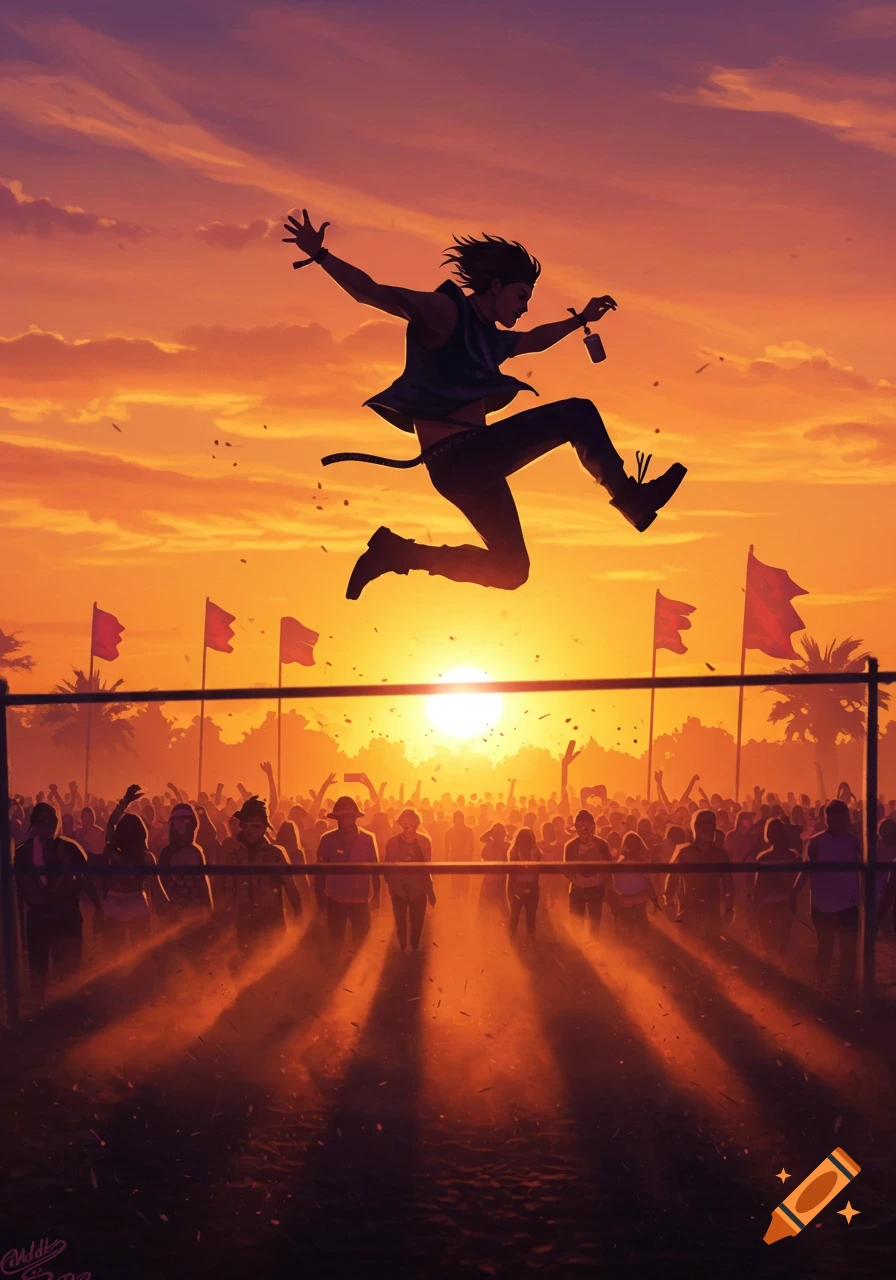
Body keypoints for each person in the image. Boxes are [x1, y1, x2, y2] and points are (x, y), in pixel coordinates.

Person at [281, 212, 686, 599]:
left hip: (469, 467)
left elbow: (535, 339)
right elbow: (374, 293)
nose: (524, 306)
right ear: (496, 286)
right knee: (576, 413)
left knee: (512, 570)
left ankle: (400, 553)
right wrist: (321, 256)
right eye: (521, 295)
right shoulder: (445, 312)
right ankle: (630, 500)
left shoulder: (490, 338)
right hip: (462, 457)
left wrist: (580, 318)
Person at [14, 802, 105, 1005]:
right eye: (41, 821)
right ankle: (40, 1009)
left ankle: (67, 1009)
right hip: (38, 918)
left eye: (51, 820)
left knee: (69, 971)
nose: (47, 825)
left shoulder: (71, 848)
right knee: (38, 970)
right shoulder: (23, 853)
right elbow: (20, 890)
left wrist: (99, 908)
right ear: (34, 825)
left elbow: (87, 879)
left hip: (66, 917)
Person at [790, 799, 861, 997]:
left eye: (840, 818)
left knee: (848, 951)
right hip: (823, 906)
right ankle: (820, 987)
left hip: (848, 904)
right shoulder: (816, 842)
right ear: (826, 818)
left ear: (845, 819)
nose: (836, 823)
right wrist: (794, 895)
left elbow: (862, 869)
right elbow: (807, 870)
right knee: (825, 948)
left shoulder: (853, 841)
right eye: (832, 818)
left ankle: (845, 989)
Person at [222, 795, 302, 958]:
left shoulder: (276, 854)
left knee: (273, 964)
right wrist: (224, 915)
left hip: (272, 919)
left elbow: (290, 886)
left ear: (265, 827)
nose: (250, 830)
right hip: (245, 919)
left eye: (256, 826)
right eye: (246, 825)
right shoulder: (234, 855)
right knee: (247, 962)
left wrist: (298, 913)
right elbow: (227, 888)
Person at [102, 786, 170, 952]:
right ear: (142, 834)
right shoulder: (146, 858)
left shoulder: (112, 853)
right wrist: (171, 911)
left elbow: (111, 825)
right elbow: (157, 889)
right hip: (138, 906)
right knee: (138, 955)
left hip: (113, 907)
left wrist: (124, 802)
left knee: (114, 955)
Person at [315, 795, 381, 950]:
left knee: (361, 943)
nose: (347, 818)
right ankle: (335, 970)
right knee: (336, 940)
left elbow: (375, 869)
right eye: (343, 815)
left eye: (350, 815)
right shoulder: (327, 839)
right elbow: (319, 873)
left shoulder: (368, 838)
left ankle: (358, 972)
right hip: (335, 898)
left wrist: (377, 894)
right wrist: (320, 900)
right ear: (337, 817)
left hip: (361, 898)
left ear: (355, 817)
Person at [664, 809, 735, 937]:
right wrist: (668, 901)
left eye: (711, 824)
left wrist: (729, 908)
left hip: (711, 912)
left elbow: (728, 883)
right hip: (688, 911)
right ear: (696, 827)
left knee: (713, 950)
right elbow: (672, 877)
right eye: (704, 825)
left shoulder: (719, 854)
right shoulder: (684, 852)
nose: (709, 829)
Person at [157, 802, 215, 950]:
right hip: (175, 915)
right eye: (175, 819)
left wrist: (209, 911)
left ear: (193, 822)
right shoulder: (167, 853)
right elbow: (160, 885)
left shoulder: (196, 851)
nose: (180, 823)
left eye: (185, 819)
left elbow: (203, 881)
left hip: (196, 914)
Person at [749, 818, 801, 961]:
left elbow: (758, 885)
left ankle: (774, 975)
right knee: (782, 946)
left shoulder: (764, 857)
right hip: (786, 905)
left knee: (769, 947)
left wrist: (754, 904)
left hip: (767, 907)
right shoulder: (793, 856)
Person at [383, 810, 436, 952]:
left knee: (417, 922)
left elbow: (427, 867)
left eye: (412, 823)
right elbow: (387, 867)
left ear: (417, 824)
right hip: (398, 889)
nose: (409, 826)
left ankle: (414, 948)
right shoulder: (392, 843)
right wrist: (392, 886)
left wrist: (430, 890)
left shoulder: (424, 841)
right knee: (400, 922)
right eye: (406, 823)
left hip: (418, 888)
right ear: (401, 824)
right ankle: (402, 947)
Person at [564, 809, 612, 937]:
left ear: (593, 826)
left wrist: (602, 878)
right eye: (578, 827)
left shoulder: (602, 845)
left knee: (594, 922)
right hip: (577, 888)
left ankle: (594, 947)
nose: (582, 830)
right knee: (576, 923)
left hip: (596, 887)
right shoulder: (570, 846)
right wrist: (575, 877)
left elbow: (608, 867)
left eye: (585, 826)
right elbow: (567, 870)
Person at [611, 831, 659, 942]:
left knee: (627, 935)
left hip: (625, 902)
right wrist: (654, 900)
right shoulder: (641, 862)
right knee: (641, 934)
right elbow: (648, 883)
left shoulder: (620, 863)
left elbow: (616, 887)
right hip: (639, 901)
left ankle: (630, 955)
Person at [506, 826, 541, 940]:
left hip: (532, 886)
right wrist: (518, 889)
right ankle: (512, 938)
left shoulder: (535, 851)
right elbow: (512, 874)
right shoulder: (514, 852)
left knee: (530, 915)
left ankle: (531, 939)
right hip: (516, 887)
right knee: (514, 914)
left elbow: (537, 870)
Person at [478, 822, 510, 914]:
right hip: (493, 880)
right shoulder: (490, 845)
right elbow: (482, 839)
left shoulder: (506, 846)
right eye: (497, 833)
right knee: (487, 907)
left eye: (501, 833)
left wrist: (492, 831)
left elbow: (483, 838)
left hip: (499, 880)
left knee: (501, 907)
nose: (500, 836)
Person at [444, 807, 474, 900]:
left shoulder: (469, 831)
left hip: (465, 859)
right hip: (455, 858)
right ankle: (457, 898)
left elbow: (472, 847)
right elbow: (446, 849)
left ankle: (464, 898)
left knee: (465, 880)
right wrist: (446, 863)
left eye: (459, 818)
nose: (458, 820)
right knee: (455, 880)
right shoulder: (449, 832)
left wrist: (470, 858)